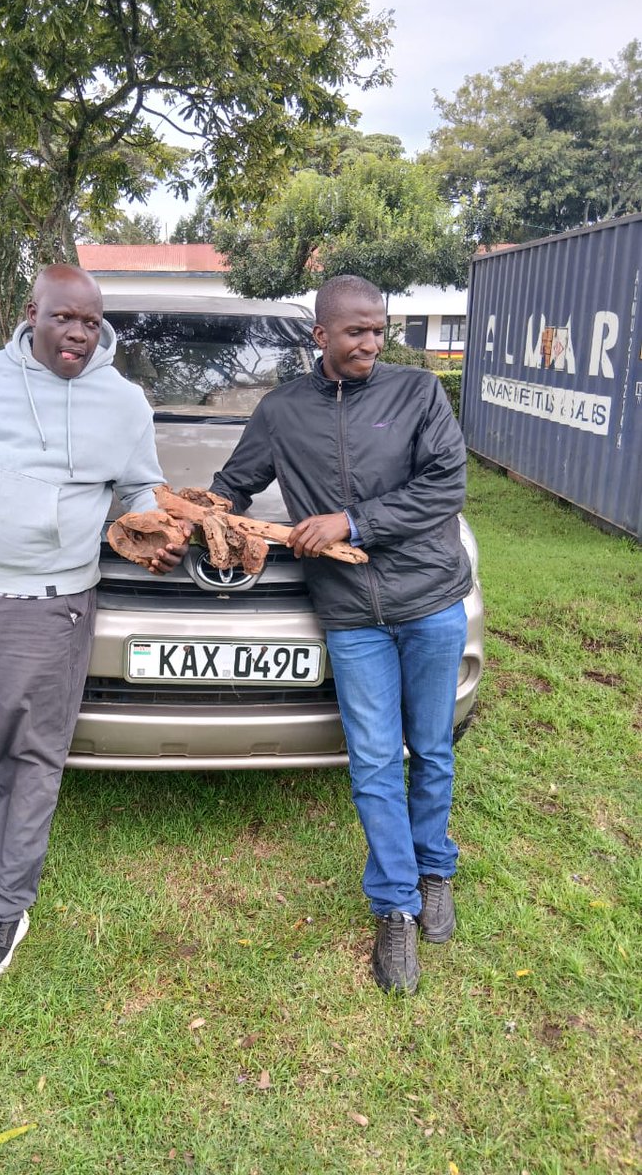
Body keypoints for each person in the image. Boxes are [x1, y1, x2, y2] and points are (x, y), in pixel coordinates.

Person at [0, 264, 187, 994]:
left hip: (50, 604)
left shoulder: (122, 402)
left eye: (91, 324)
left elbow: (135, 483)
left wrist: (158, 521)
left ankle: (1, 910)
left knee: (31, 756)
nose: (79, 335)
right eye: (65, 319)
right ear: (33, 313)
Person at [211, 274, 471, 995]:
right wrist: (201, 514)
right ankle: (394, 905)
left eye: (378, 330)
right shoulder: (282, 409)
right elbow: (235, 480)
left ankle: (434, 869)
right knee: (375, 760)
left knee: (433, 746)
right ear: (319, 335)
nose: (370, 343)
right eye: (355, 331)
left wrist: (353, 523)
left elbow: (447, 485)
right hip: (351, 614)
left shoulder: (417, 393)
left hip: (429, 600)